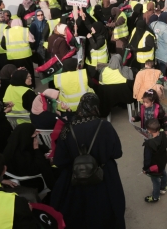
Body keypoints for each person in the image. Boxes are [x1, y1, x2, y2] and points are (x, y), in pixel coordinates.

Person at [51, 94, 126, 229]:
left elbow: (60, 161)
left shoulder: (68, 128)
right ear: (96, 107)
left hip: (76, 180)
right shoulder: (105, 126)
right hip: (104, 177)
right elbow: (117, 153)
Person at [3, 123, 57, 192]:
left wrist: (48, 150)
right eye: (34, 134)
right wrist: (38, 152)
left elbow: (39, 147)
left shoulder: (19, 143)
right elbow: (35, 168)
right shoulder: (19, 155)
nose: (36, 135)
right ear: (27, 135)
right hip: (31, 180)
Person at [1, 19, 35, 88]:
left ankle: (17, 86)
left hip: (12, 56)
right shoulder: (25, 30)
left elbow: (3, 44)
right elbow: (32, 41)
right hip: (25, 55)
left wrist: (9, 49)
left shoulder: (6, 31)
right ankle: (31, 85)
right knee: (28, 71)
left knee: (15, 72)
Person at [142, 118, 167, 203]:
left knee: (155, 181)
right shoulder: (163, 134)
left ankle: (155, 197)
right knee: (163, 172)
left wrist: (146, 169)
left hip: (154, 166)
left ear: (149, 131)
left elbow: (147, 159)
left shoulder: (149, 144)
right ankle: (163, 187)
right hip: (162, 161)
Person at [150, 12, 167, 76]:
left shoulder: (153, 24)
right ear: (165, 18)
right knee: (162, 70)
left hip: (156, 51)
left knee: (157, 69)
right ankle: (162, 81)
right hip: (164, 53)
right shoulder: (166, 28)